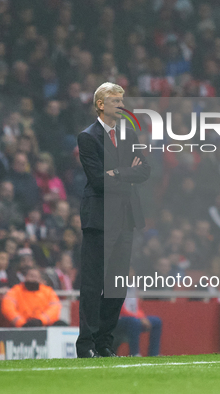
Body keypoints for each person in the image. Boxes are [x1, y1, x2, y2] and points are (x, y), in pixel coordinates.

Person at [76, 82, 150, 358]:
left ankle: (105, 342)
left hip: (127, 217)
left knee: (117, 284)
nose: (121, 105)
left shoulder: (128, 134)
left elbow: (145, 171)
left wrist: (115, 174)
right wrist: (125, 174)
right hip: (100, 218)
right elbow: (97, 181)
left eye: (122, 100)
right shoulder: (88, 137)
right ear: (100, 105)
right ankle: (86, 345)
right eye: (115, 101)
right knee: (94, 283)